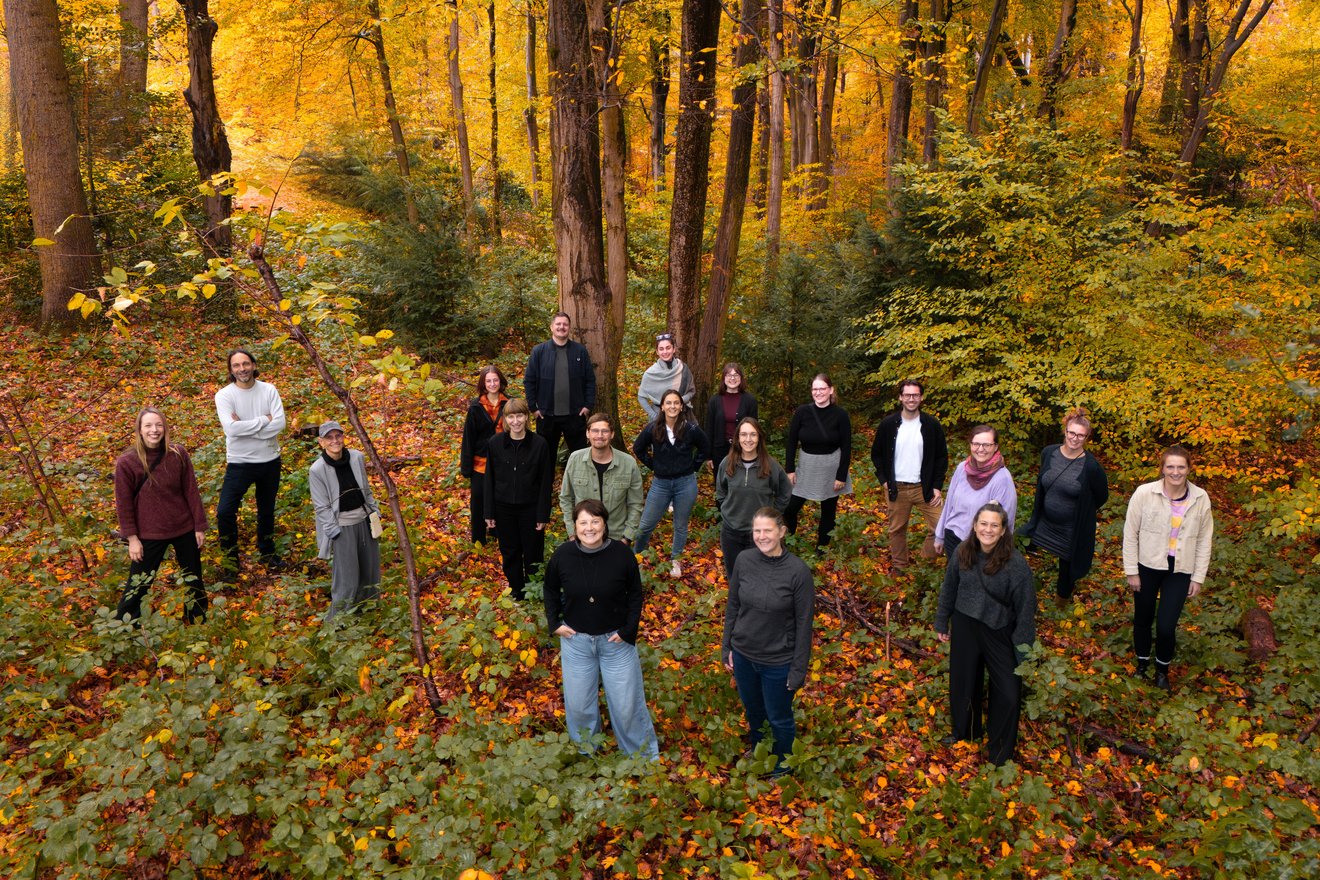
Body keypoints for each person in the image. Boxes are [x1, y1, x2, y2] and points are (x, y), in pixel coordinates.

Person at [544, 500, 660, 759]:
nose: (589, 528)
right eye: (583, 522)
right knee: (579, 706)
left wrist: (629, 630)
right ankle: (587, 755)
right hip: (577, 644)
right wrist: (554, 623)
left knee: (626, 705)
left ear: (605, 523)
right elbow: (550, 589)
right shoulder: (563, 555)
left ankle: (642, 759)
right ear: (574, 525)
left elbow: (635, 595)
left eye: (595, 521)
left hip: (616, 643)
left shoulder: (622, 555)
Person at [934, 501, 1036, 765]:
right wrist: (941, 622)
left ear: (1003, 531)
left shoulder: (1016, 565)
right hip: (965, 624)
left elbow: (1026, 610)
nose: (988, 530)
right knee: (963, 682)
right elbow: (949, 589)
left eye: (994, 525)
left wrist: (1023, 650)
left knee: (1009, 692)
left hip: (998, 629)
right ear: (975, 525)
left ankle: (1000, 753)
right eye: (983, 524)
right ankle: (965, 732)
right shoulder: (961, 552)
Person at [722, 507, 814, 778]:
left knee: (779, 717)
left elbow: (804, 624)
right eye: (757, 531)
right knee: (753, 711)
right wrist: (727, 646)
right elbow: (733, 605)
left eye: (767, 530)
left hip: (778, 661)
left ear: (782, 532)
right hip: (744, 655)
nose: (761, 536)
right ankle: (760, 749)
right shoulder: (744, 560)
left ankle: (784, 764)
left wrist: (798, 670)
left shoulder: (798, 572)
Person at [1122, 445, 1213, 691]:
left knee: (1165, 625)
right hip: (1148, 564)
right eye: (1170, 466)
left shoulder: (1200, 498)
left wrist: (1198, 577)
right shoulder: (1144, 493)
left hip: (1180, 568)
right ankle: (1142, 663)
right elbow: (1131, 533)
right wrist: (1132, 570)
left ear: (1188, 469)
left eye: (1180, 467)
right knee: (1142, 617)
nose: (1175, 471)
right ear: (1162, 468)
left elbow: (1205, 539)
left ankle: (1162, 670)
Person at [113, 407, 208, 623]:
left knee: (194, 581)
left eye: (158, 425)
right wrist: (132, 538)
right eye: (148, 425)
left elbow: (191, 490)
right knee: (137, 585)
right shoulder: (127, 462)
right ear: (139, 430)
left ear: (165, 428)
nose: (154, 430)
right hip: (149, 532)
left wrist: (199, 526)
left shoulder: (177, 454)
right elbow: (124, 504)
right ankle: (125, 626)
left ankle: (197, 622)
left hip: (183, 527)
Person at [1021, 408, 1109, 606]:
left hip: (1070, 529)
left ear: (1086, 437)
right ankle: (1021, 592)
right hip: (1044, 521)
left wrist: (1081, 511)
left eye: (1080, 435)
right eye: (1072, 433)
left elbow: (1102, 495)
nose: (1075, 438)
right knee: (1020, 545)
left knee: (1067, 571)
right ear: (1065, 430)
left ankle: (1061, 605)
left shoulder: (1091, 467)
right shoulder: (1049, 453)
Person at [215, 347, 286, 570]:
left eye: (245, 364)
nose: (242, 369)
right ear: (231, 369)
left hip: (269, 460)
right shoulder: (224, 395)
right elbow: (231, 430)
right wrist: (265, 421)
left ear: (253, 365)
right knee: (225, 512)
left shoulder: (269, 390)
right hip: (239, 462)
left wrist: (244, 426)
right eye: (236, 365)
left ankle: (267, 553)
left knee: (266, 509)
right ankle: (230, 562)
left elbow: (281, 424)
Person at [871, 379, 949, 571]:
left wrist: (937, 486)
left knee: (942, 526)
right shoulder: (888, 424)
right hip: (897, 488)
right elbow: (877, 454)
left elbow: (941, 457)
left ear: (921, 397)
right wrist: (883, 481)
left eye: (915, 395)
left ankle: (922, 566)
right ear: (900, 397)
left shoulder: (931, 424)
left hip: (926, 488)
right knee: (897, 530)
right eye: (907, 395)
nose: (911, 399)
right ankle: (900, 567)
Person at [309, 421, 382, 620]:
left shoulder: (356, 457)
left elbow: (366, 489)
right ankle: (337, 621)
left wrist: (374, 514)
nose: (335, 441)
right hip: (342, 527)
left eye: (338, 436)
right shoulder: (317, 470)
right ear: (321, 442)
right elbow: (321, 507)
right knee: (347, 579)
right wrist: (335, 533)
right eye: (329, 438)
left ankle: (367, 614)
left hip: (365, 521)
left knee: (370, 572)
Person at [633, 390, 710, 577]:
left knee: (681, 525)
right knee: (645, 525)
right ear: (662, 407)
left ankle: (676, 560)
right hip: (661, 484)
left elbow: (705, 446)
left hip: (686, 483)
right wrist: (654, 465)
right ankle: (637, 557)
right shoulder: (653, 428)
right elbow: (638, 448)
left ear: (682, 406)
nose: (673, 406)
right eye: (669, 403)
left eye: (676, 403)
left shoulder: (690, 428)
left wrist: (694, 466)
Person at [483, 398, 553, 601]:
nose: (516, 421)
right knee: (510, 552)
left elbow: (545, 482)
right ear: (505, 419)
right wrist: (489, 512)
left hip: (530, 509)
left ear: (526, 417)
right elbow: (489, 479)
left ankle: (533, 591)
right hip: (503, 509)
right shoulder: (495, 444)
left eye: (520, 415)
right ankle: (517, 590)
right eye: (511, 416)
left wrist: (542, 513)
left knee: (533, 552)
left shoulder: (539, 444)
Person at [715, 417, 792, 576]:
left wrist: (772, 515)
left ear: (759, 438)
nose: (748, 439)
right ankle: (736, 602)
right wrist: (726, 508)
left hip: (759, 534)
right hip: (731, 532)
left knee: (758, 577)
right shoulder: (727, 463)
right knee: (734, 576)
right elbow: (721, 491)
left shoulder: (770, 465)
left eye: (753, 435)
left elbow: (785, 491)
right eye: (743, 435)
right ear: (737, 438)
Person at [784, 374, 852, 548]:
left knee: (828, 511)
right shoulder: (802, 412)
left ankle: (822, 548)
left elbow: (846, 447)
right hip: (806, 466)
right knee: (790, 508)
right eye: (815, 389)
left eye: (822, 388)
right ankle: (789, 541)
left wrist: (841, 476)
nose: (818, 392)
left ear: (831, 390)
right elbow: (791, 441)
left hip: (831, 467)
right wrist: (789, 469)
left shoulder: (840, 415)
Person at [934, 425, 1018, 560]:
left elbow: (1006, 519)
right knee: (954, 580)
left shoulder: (1002, 478)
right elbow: (949, 503)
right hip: (953, 537)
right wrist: (939, 536)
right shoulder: (962, 468)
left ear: (995, 447)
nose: (980, 449)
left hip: (981, 545)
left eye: (986, 445)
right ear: (970, 445)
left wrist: (998, 551)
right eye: (976, 444)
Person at [560, 413, 644, 544]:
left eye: (604, 431)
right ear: (588, 433)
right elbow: (566, 498)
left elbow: (635, 503)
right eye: (595, 431)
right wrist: (572, 533)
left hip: (616, 537)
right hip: (583, 536)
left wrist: (627, 537)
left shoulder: (628, 463)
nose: (599, 435)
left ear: (612, 434)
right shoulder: (575, 459)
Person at [524, 311, 597, 463]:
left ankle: (579, 486)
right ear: (551, 327)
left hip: (575, 415)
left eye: (565, 324)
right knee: (545, 457)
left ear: (569, 327)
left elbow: (590, 380)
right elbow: (529, 380)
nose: (561, 327)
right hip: (546, 415)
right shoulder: (539, 352)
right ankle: (546, 487)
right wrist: (533, 408)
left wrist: (588, 405)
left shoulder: (579, 351)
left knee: (580, 457)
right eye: (558, 324)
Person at [459, 365, 508, 545]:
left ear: (500, 381)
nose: (492, 384)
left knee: (500, 498)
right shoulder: (475, 407)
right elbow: (468, 438)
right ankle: (478, 539)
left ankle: (497, 532)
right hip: (480, 463)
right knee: (479, 500)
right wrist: (466, 467)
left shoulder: (508, 404)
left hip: (504, 462)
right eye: (488, 381)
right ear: (483, 384)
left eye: (495, 380)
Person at [704, 362, 759, 476]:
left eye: (736, 375)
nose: (732, 378)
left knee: (741, 484)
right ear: (724, 378)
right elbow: (709, 429)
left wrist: (755, 452)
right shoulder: (714, 400)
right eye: (729, 375)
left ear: (741, 378)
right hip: (719, 451)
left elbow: (755, 430)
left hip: (743, 449)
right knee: (721, 485)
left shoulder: (750, 400)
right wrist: (708, 456)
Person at [637, 333, 695, 421]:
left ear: (674, 349)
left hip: (681, 416)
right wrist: (653, 415)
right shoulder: (650, 373)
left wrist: (679, 401)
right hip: (659, 418)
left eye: (668, 348)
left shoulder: (683, 368)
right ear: (657, 352)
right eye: (661, 349)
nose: (665, 352)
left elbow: (691, 391)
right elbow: (641, 397)